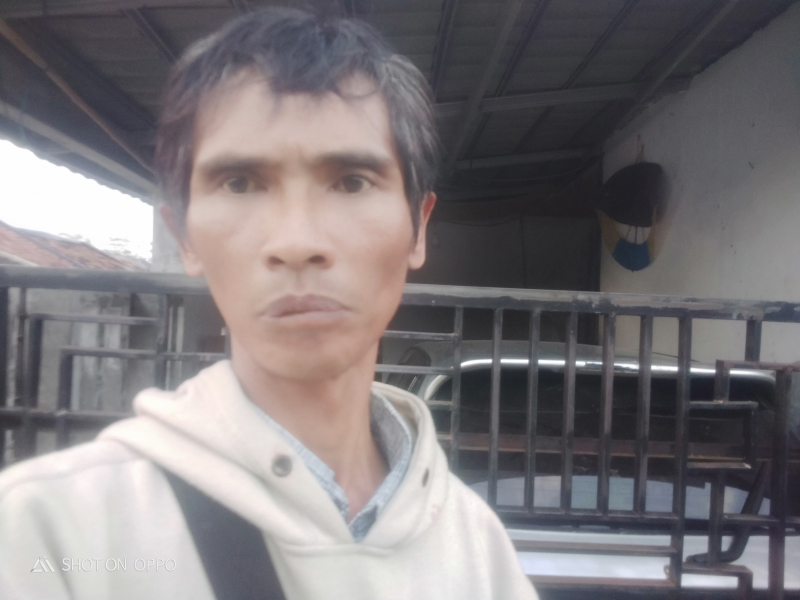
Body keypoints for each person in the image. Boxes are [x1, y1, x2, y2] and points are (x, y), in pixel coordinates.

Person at [0, 8, 537, 599]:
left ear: (418, 229)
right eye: (240, 183)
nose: (297, 241)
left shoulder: (478, 547)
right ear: (185, 238)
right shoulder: (49, 535)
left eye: (352, 181)